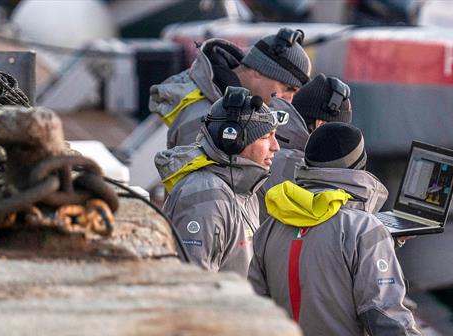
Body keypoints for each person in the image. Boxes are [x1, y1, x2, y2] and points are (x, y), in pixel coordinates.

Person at [248, 123, 453, 336]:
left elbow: (254, 312)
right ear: (358, 167)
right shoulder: (364, 231)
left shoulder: (269, 228)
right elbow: (388, 324)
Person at [155, 87, 286, 277]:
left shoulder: (245, 191)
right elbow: (195, 287)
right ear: (234, 141)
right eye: (266, 137)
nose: (276, 147)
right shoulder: (205, 198)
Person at [149, 28, 311, 148]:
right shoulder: (204, 115)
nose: (289, 99)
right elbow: (197, 187)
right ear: (258, 71)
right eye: (287, 87)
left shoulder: (227, 102)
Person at [257, 74, 353, 222]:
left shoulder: (277, 148)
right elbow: (332, 223)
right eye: (339, 133)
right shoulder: (294, 165)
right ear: (320, 125)